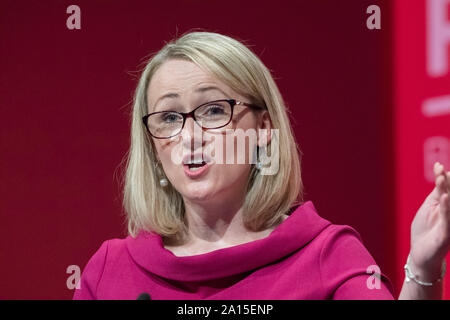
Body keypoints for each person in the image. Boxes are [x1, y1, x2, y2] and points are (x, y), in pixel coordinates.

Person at [73, 31, 450, 300]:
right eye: (169, 118)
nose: (190, 135)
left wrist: (424, 267)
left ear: (264, 129)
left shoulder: (327, 256)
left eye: (214, 110)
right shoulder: (112, 270)